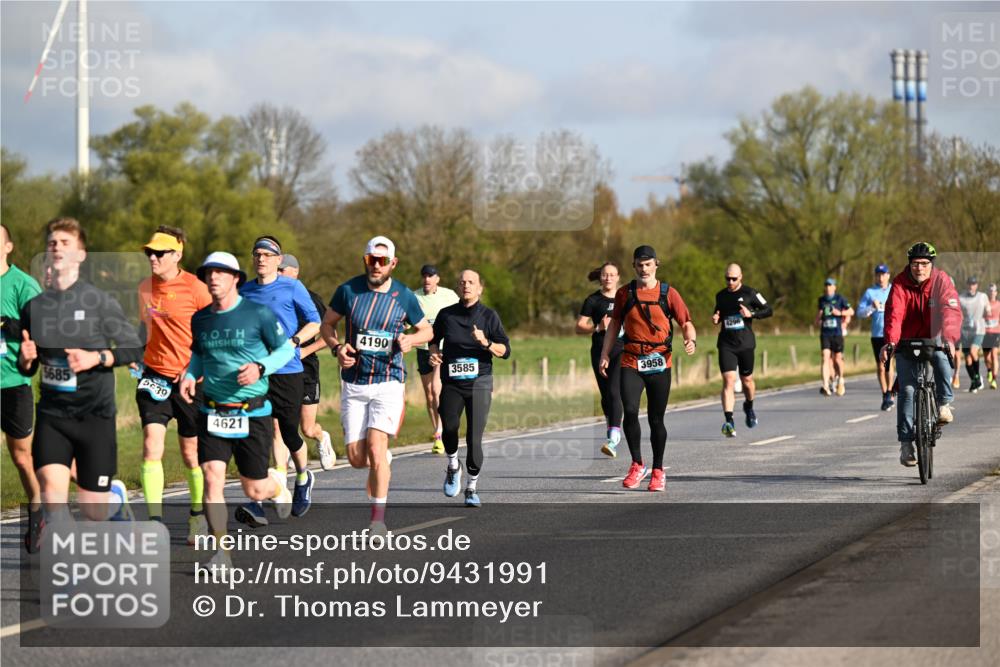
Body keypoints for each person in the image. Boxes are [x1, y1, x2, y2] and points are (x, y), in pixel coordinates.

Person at [17, 218, 144, 528]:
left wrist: (96, 357)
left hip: (94, 417)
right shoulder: (34, 308)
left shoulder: (100, 302)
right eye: (52, 243)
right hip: (53, 415)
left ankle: (112, 496)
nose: (56, 247)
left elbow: (134, 348)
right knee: (51, 494)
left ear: (81, 254)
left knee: (93, 512)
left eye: (65, 243)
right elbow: (30, 365)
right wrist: (26, 360)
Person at [180, 252, 295, 565]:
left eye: (221, 272)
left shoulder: (258, 313)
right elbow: (199, 355)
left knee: (254, 490)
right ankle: (222, 552)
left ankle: (277, 487)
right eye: (209, 273)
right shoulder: (201, 318)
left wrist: (260, 367)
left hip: (252, 412)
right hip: (214, 411)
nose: (214, 278)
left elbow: (285, 349)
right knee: (212, 476)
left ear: (235, 279)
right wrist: (190, 374)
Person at [320, 236, 432, 534]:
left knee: (376, 446)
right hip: (354, 383)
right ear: (365, 260)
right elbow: (327, 324)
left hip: (389, 381)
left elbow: (427, 330)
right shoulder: (348, 291)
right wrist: (337, 348)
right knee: (357, 459)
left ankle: (378, 521)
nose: (377, 265)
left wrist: (411, 338)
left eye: (383, 261)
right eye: (372, 260)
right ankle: (379, 460)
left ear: (393, 264)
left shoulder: (404, 296)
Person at [134, 227, 212, 544]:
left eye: (160, 253)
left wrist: (197, 370)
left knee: (191, 454)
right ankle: (154, 521)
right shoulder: (143, 289)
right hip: (154, 376)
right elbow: (143, 331)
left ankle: (197, 516)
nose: (153, 258)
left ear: (177, 254)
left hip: (191, 381)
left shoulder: (197, 289)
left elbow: (212, 334)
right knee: (152, 445)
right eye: (149, 253)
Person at [237, 236, 320, 525]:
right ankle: (256, 502)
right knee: (256, 435)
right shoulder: (244, 290)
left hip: (287, 370)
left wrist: (294, 340)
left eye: (266, 254)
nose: (260, 258)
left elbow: (315, 322)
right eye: (256, 253)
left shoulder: (291, 286)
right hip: (255, 374)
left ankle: (303, 475)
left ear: (277, 259)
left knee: (288, 432)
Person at [599, 245, 696, 492]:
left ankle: (659, 470)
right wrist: (605, 354)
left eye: (648, 264)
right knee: (629, 410)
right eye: (639, 265)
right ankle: (637, 464)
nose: (644, 269)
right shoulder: (624, 294)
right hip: (631, 359)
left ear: (656, 264)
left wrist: (690, 338)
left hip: (660, 361)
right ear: (634, 266)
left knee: (656, 419)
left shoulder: (669, 293)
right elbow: (614, 325)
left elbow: (686, 321)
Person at [430, 270, 510, 507]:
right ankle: (453, 465)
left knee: (475, 437)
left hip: (480, 384)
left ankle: (472, 487)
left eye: (471, 282)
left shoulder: (489, 316)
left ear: (479, 288)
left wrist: (485, 342)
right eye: (463, 282)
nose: (466, 285)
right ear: (457, 287)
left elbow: (506, 350)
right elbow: (433, 339)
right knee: (450, 428)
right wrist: (434, 353)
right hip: (453, 383)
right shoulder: (446, 315)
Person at [880, 242, 961, 467]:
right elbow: (894, 315)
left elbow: (951, 311)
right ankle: (906, 444)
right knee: (906, 389)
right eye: (915, 264)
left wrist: (949, 337)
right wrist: (891, 343)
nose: (919, 268)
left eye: (924, 264)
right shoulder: (899, 283)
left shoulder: (941, 281)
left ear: (931, 265)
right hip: (906, 342)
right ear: (910, 264)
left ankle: (944, 404)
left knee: (943, 359)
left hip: (934, 338)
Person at [1, 223, 44, 551]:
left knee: (21, 457)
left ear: (8, 247)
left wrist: (10, 325)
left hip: (14, 383)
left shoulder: (22, 285)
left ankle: (36, 509)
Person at [278, 254, 335, 470]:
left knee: (308, 428)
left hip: (306, 368)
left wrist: (303, 351)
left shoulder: (311, 299)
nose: (279, 274)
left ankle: (322, 439)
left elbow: (329, 338)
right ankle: (281, 474)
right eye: (278, 270)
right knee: (280, 424)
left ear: (295, 272)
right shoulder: (270, 298)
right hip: (280, 370)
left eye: (283, 270)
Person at [712, 264, 772, 437]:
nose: (730, 282)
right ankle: (729, 421)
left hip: (745, 343)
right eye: (727, 279)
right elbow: (718, 312)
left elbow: (769, 310)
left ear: (741, 277)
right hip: (726, 344)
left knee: (747, 381)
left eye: (734, 279)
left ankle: (749, 405)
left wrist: (751, 314)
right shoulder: (721, 296)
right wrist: (716, 317)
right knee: (729, 380)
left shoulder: (751, 293)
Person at [576, 262, 624, 456]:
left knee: (614, 391)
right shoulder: (592, 300)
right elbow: (579, 326)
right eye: (605, 275)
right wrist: (598, 328)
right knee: (606, 395)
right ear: (600, 277)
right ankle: (611, 426)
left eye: (612, 275)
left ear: (618, 277)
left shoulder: (625, 297)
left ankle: (613, 439)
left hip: (620, 349)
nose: (608, 278)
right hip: (598, 350)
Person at [413, 264, 459, 454]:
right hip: (423, 349)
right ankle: (437, 432)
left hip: (441, 348)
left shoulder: (449, 295)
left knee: (435, 388)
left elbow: (460, 313)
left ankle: (441, 430)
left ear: (437, 279)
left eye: (430, 276)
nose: (427, 279)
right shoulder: (413, 297)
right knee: (429, 394)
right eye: (424, 276)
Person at [857, 263, 895, 411]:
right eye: (878, 275)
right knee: (880, 366)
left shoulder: (894, 290)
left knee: (889, 363)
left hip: (891, 333)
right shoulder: (870, 292)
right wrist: (871, 307)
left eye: (883, 274)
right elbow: (859, 313)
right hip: (877, 334)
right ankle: (885, 393)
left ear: (888, 275)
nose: (880, 277)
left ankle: (890, 392)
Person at [815, 278, 854, 396]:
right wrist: (819, 318)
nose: (828, 288)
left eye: (830, 285)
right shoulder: (821, 300)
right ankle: (825, 385)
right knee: (825, 357)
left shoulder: (840, 299)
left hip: (837, 333)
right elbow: (817, 319)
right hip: (825, 333)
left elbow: (851, 311)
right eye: (826, 285)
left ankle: (841, 379)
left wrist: (840, 313)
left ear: (834, 287)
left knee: (837, 358)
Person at [958, 276, 991, 393]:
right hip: (966, 331)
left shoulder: (983, 297)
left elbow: (988, 310)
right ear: (967, 285)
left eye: (974, 284)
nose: (972, 286)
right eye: (970, 284)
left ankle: (977, 376)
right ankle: (974, 380)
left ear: (977, 285)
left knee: (973, 351)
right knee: (967, 360)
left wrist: (988, 313)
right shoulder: (961, 298)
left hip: (979, 329)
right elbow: (956, 311)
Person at [984, 283, 999, 390]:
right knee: (987, 357)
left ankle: (994, 379)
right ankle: (989, 371)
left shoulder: (999, 304)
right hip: (985, 332)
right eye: (990, 290)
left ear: (996, 292)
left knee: (994, 355)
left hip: (996, 332)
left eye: (993, 291)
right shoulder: (984, 304)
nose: (992, 292)